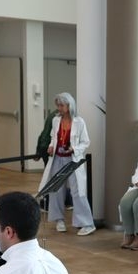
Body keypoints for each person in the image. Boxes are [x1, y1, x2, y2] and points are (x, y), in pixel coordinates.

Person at [37, 92, 96, 235]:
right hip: (57, 158)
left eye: (62, 105)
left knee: (78, 192)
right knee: (56, 190)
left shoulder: (79, 122)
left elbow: (85, 142)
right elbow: (53, 137)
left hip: (73, 160)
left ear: (70, 106)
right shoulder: (55, 120)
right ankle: (59, 220)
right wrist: (51, 146)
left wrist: (74, 149)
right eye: (58, 105)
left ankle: (87, 224)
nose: (59, 108)